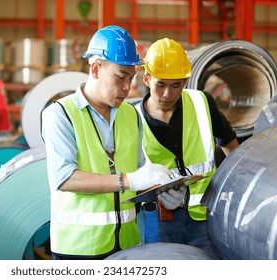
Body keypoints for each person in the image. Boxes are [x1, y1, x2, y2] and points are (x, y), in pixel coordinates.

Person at [41, 26, 172, 260]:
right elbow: (65, 178)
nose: (127, 87)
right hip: (78, 249)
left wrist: (162, 189)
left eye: (131, 78)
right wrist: (128, 180)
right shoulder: (61, 114)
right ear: (95, 69)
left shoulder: (131, 115)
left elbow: (139, 172)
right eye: (121, 77)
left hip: (127, 245)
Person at [137, 38, 239, 256]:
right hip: (159, 218)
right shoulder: (132, 118)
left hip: (203, 216)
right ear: (147, 78)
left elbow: (230, 144)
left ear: (185, 81)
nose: (167, 94)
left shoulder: (202, 103)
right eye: (160, 85)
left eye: (176, 85)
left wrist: (236, 189)